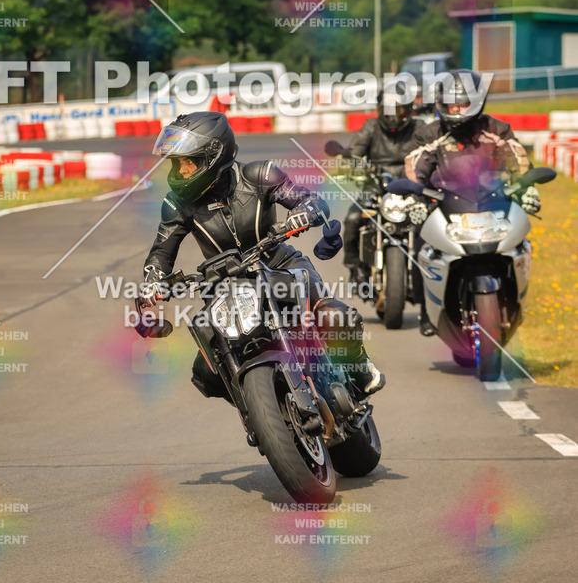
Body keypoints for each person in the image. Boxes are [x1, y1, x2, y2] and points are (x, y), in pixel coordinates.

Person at [136, 111, 385, 397]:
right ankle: (257, 404)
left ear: (213, 155)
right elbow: (161, 251)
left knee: (335, 317)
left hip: (281, 265)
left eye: (188, 163)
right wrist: (153, 282)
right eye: (176, 164)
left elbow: (309, 199)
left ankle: (360, 367)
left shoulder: (259, 175)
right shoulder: (176, 204)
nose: (181, 172)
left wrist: (304, 213)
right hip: (224, 286)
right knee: (206, 372)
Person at [405, 69, 538, 335]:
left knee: (520, 243)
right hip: (444, 207)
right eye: (449, 102)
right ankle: (426, 309)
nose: (454, 108)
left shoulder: (496, 129)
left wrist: (528, 189)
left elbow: (519, 162)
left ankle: (516, 300)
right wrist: (414, 198)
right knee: (421, 245)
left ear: (476, 101)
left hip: (493, 204)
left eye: (462, 103)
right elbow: (414, 168)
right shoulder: (430, 134)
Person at [342, 89, 433, 283]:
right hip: (376, 184)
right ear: (379, 109)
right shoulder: (371, 126)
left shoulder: (419, 127)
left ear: (409, 110)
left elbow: (433, 151)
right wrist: (356, 166)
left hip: (411, 186)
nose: (393, 116)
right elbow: (354, 152)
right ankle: (354, 266)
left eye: (399, 110)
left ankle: (433, 269)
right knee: (353, 218)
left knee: (432, 220)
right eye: (388, 110)